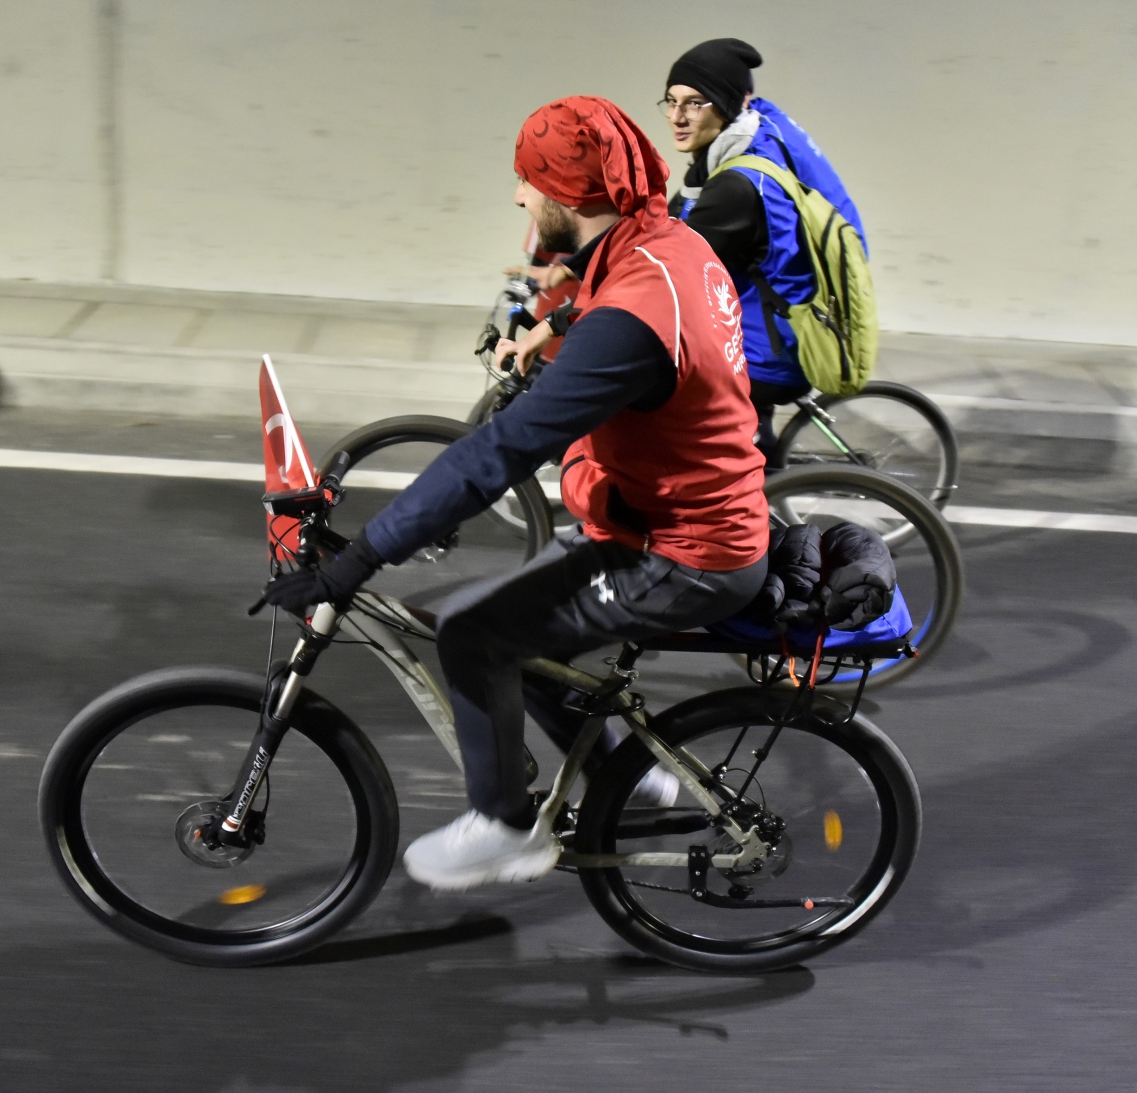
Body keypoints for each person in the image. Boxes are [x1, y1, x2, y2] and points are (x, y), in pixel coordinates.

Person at [262, 96, 770, 891]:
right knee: (525, 635)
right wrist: (552, 332)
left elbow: (497, 453)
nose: (520, 198)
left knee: (474, 631)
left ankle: (503, 828)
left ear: (572, 194)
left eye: (530, 182)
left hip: (685, 552)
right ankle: (632, 778)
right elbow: (606, 300)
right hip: (666, 513)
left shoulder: (631, 317)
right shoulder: (667, 243)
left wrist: (358, 559)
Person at [661, 38, 868, 463]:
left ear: (728, 105)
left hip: (764, 355)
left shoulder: (738, 185)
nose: (677, 117)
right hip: (770, 330)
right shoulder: (747, 139)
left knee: (652, 401)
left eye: (695, 103)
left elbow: (668, 265)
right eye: (671, 101)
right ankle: (762, 463)